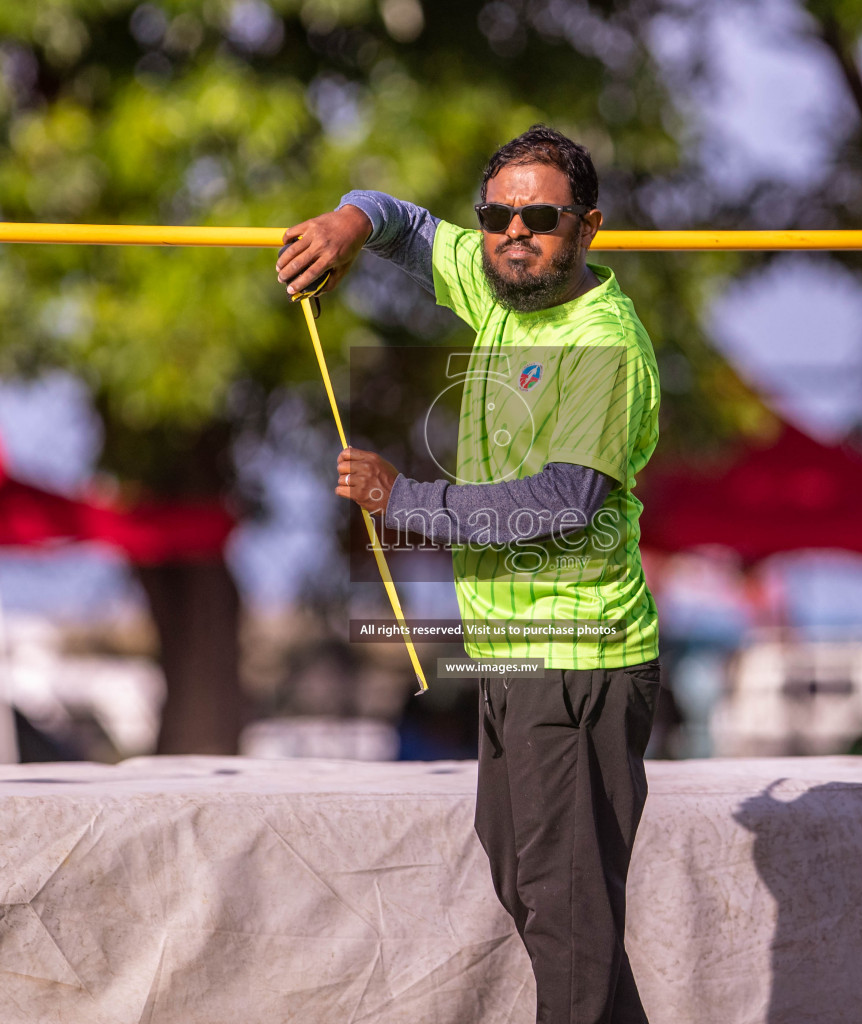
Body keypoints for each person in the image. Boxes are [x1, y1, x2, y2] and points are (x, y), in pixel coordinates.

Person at [276, 124, 663, 1024]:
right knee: (535, 888)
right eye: (496, 215)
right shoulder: (498, 290)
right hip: (514, 657)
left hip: (580, 661)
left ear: (587, 227)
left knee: (567, 924)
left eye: (539, 217)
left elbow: (562, 505)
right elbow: (405, 226)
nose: (513, 232)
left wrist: (400, 500)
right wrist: (349, 221)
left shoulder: (602, 343)